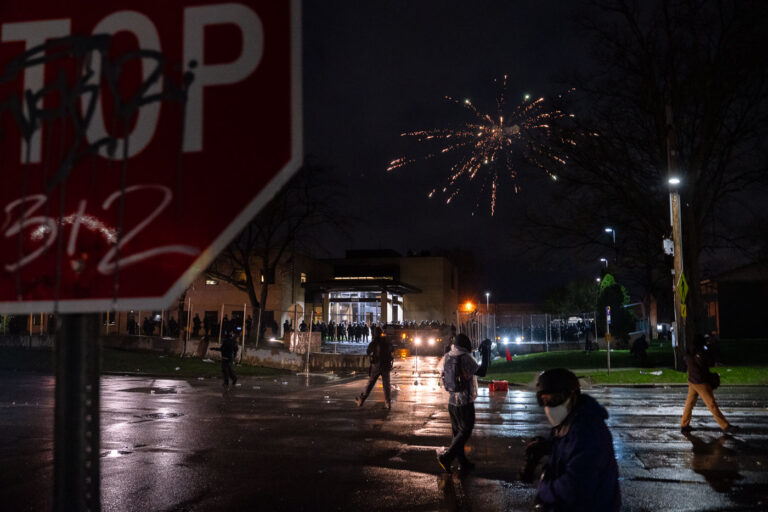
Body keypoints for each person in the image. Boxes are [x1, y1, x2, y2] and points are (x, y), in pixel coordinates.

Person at [523, 368, 621, 511]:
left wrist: (544, 489)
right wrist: (548, 446)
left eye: (555, 399)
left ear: (573, 397)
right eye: (544, 400)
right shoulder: (568, 422)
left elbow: (574, 487)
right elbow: (566, 444)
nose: (549, 407)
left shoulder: (588, 431)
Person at [436, 334, 491, 474]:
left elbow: (441, 371)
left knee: (457, 434)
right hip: (464, 402)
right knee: (465, 431)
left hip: (452, 402)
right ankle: (447, 458)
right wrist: (486, 353)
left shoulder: (448, 356)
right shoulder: (464, 357)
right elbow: (482, 372)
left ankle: (463, 463)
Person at [680, 334, 739, 433]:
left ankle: (684, 424)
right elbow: (710, 362)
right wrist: (710, 347)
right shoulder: (701, 353)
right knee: (712, 404)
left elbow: (687, 365)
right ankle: (725, 426)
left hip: (692, 381)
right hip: (701, 382)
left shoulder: (689, 353)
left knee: (689, 404)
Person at [355, 328, 394, 409]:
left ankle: (362, 399)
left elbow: (368, 351)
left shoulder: (375, 342)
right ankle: (388, 402)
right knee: (386, 384)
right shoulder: (387, 341)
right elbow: (392, 350)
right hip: (386, 365)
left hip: (376, 365)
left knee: (370, 383)